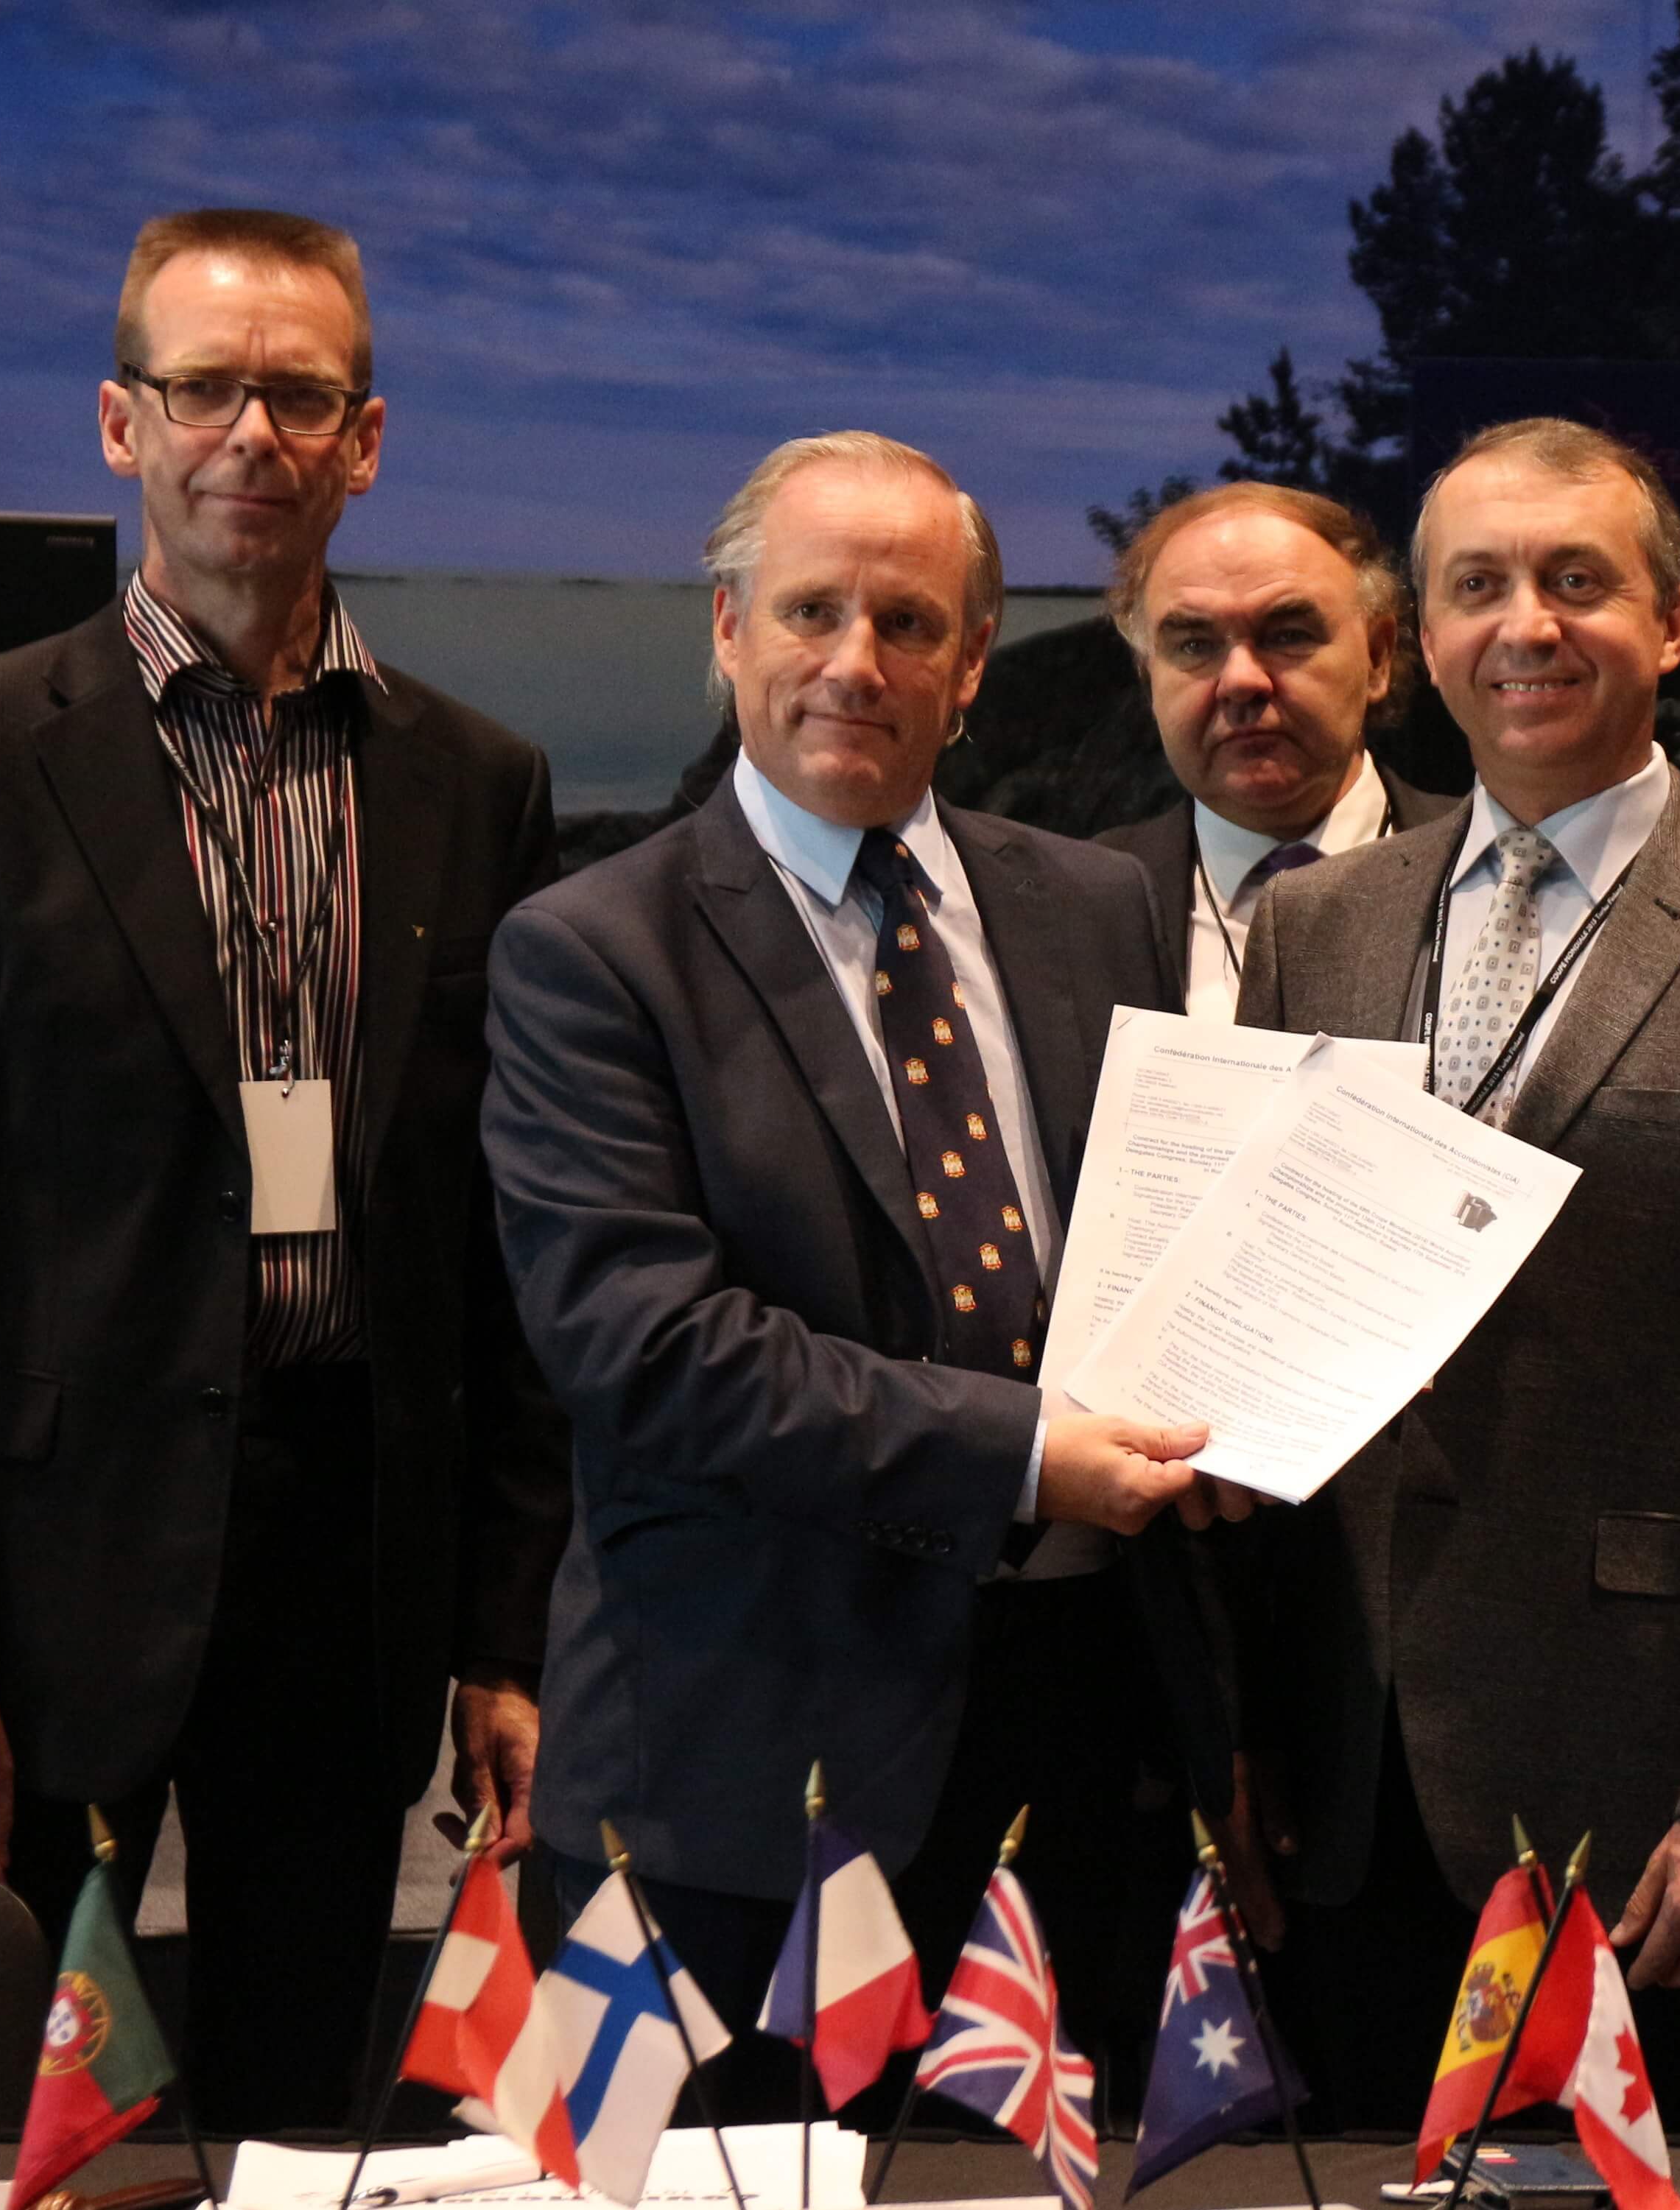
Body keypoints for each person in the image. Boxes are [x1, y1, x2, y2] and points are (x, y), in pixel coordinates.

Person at [0, 206, 570, 2130]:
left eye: (299, 396)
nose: (252, 433)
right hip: (44, 1576)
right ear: (119, 423)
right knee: (9, 2116)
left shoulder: (477, 782)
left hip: (350, 1565)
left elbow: (498, 1249)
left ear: (364, 441)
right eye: (205, 387)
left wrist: (505, 1632)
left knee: (298, 2106)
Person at [482, 432, 1247, 2102]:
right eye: (810, 609)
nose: (855, 661)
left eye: (908, 622)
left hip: (1085, 1752)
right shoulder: (590, 951)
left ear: (970, 664)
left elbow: (1156, 1253)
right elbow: (647, 1351)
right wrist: (1025, 1450)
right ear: (726, 628)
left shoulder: (1096, 906)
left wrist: (1255, 1396)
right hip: (744, 1774)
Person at [1231, 417, 1680, 2132]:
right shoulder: (1313, 927)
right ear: (1420, 639)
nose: (1524, 625)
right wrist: (1228, 1743)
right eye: (1476, 586)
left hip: (1639, 1804)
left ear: (1673, 621)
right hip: (1338, 1784)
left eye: (1574, 582)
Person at [1093, 482, 1458, 1013]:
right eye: (1194, 645)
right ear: (1149, 678)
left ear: (1377, 657)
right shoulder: (1074, 907)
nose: (1242, 681)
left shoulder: (1494, 871)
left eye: (1288, 635)